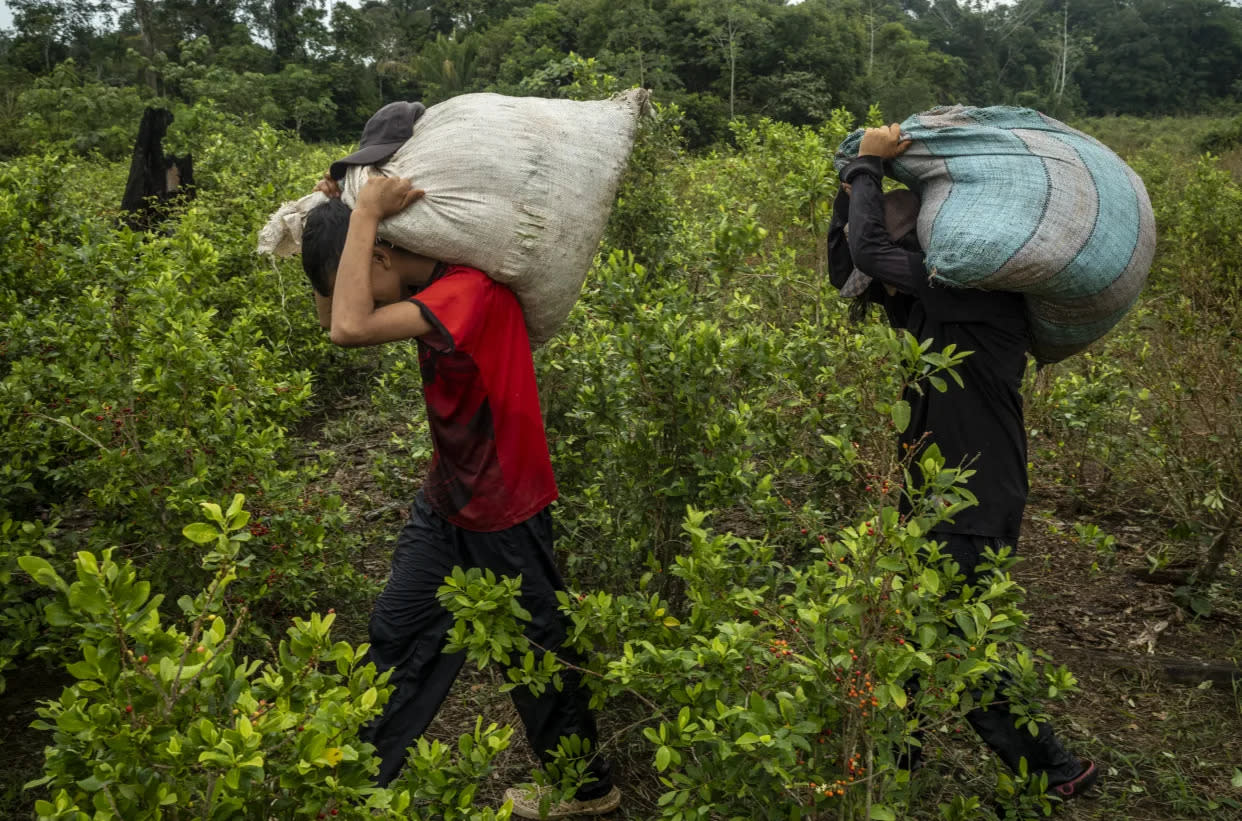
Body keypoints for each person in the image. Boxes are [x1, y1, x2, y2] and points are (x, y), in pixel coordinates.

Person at [300, 173, 620, 820]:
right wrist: (341, 206)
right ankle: (357, 787)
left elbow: (347, 327)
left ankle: (589, 792)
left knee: (537, 651)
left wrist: (363, 214)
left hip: (506, 502)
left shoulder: (465, 291)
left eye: (364, 267)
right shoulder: (428, 279)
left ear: (383, 254)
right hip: (450, 493)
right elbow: (334, 313)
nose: (349, 293)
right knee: (398, 627)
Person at [827, 123, 1098, 801]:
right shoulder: (933, 302)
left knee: (957, 646)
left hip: (971, 500)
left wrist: (867, 166)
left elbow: (871, 246)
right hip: (938, 493)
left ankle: (1053, 769)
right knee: (910, 630)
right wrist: (849, 183)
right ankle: (896, 765)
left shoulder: (969, 291)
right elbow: (851, 266)